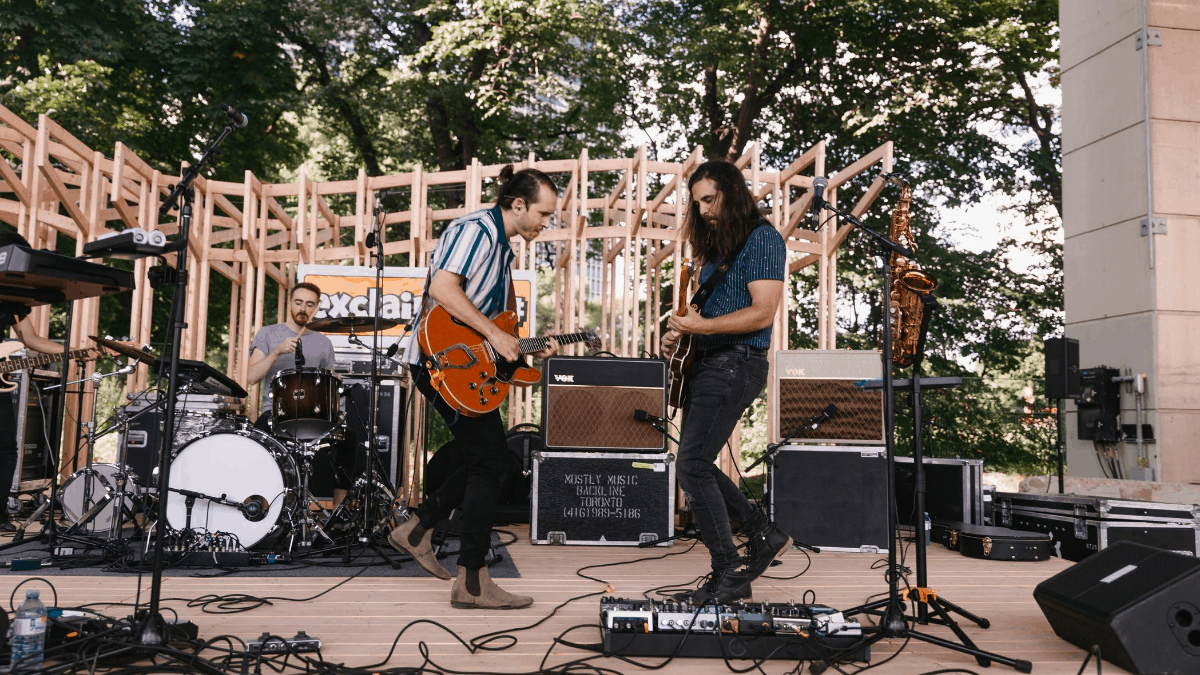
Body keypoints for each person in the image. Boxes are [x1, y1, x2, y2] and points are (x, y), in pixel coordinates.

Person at [394, 164, 558, 609]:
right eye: (544, 214)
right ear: (518, 204)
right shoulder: (477, 231)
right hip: (442, 363)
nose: (547, 223)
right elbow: (444, 289)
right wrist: (499, 335)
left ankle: (418, 527)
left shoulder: (502, 249)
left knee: (488, 459)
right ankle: (471, 581)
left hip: (463, 364)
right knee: (491, 462)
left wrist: (522, 345)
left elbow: (488, 328)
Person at [661, 159, 791, 605]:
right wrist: (680, 338)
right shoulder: (717, 252)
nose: (703, 211)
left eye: (710, 199)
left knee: (692, 466)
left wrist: (700, 330)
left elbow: (761, 313)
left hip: (737, 363)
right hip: (709, 363)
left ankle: (729, 572)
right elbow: (705, 319)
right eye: (697, 204)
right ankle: (762, 532)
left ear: (733, 192)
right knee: (695, 463)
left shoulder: (763, 239)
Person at [245, 282, 355, 503]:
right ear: (290, 304)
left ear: (316, 308)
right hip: (276, 415)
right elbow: (251, 377)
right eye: (298, 302)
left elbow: (330, 382)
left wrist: (336, 381)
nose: (303, 308)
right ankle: (257, 510)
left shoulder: (324, 342)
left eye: (309, 304)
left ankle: (339, 517)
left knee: (350, 440)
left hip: (314, 416)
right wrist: (276, 352)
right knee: (253, 446)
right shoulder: (268, 334)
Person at [0, 232, 72, 532]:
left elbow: (30, 339)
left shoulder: (14, 297)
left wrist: (75, 352)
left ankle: (0, 516)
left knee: (5, 447)